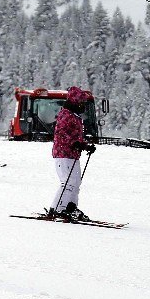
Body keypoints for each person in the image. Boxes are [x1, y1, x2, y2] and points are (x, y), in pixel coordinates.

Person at [49, 86, 95, 221]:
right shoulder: (66, 115)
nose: (83, 106)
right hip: (63, 154)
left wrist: (84, 146)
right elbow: (61, 134)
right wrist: (75, 143)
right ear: (75, 101)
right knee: (67, 182)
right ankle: (57, 209)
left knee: (75, 182)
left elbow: (75, 136)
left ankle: (70, 207)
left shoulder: (74, 116)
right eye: (81, 103)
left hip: (72, 154)